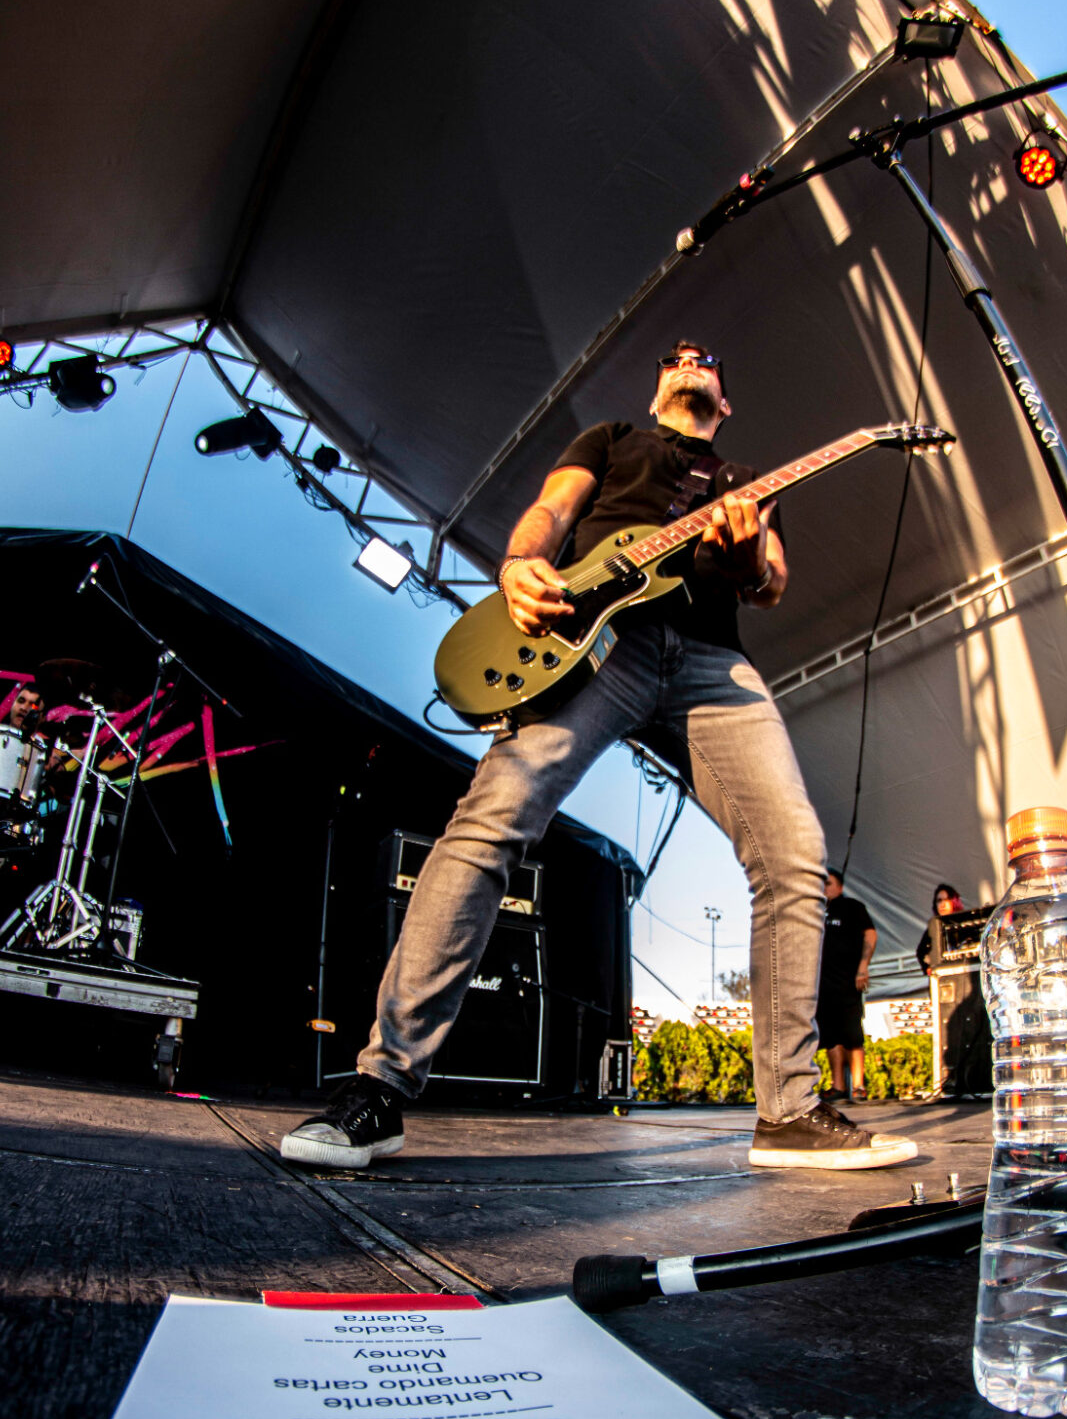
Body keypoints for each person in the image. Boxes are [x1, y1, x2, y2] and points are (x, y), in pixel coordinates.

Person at [282, 340, 916, 1172]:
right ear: (657, 391)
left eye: (706, 359)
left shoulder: (743, 478)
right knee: (491, 822)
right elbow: (552, 510)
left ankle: (791, 1112)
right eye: (674, 357)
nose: (688, 359)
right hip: (595, 640)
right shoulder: (614, 439)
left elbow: (772, 582)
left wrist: (747, 561)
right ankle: (381, 1087)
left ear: (724, 400)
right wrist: (519, 565)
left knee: (796, 854)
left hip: (710, 658)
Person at [816, 868, 876, 1102]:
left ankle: (859, 1086)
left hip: (849, 980)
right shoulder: (816, 911)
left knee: (852, 1033)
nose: (825, 888)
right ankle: (838, 1085)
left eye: (829, 883)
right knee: (830, 1036)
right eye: (822, 884)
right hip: (823, 984)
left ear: (840, 886)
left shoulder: (853, 907)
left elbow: (870, 935)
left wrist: (863, 966)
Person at [916, 882, 964, 975]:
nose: (942, 904)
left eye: (946, 900)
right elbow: (920, 951)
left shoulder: (962, 922)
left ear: (953, 901)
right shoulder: (933, 927)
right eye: (939, 900)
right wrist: (927, 968)